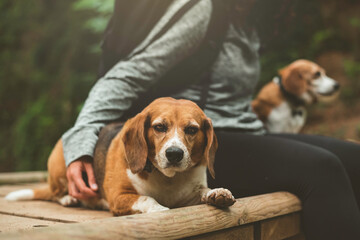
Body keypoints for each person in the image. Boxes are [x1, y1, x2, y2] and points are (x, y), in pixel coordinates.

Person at [62, 1, 360, 239]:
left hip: (250, 132)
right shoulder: (202, 11)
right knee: (322, 168)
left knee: (354, 156)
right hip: (202, 141)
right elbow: (126, 75)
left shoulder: (250, 20)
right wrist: (81, 143)